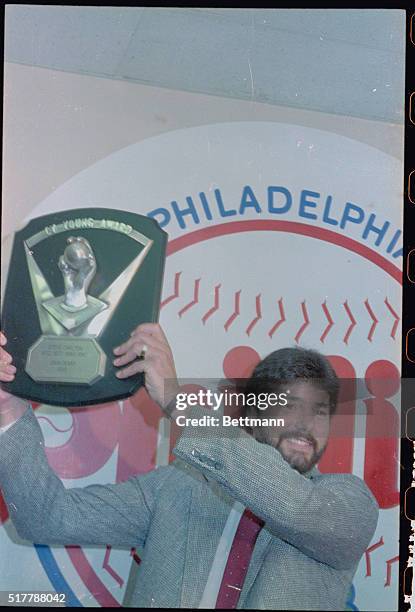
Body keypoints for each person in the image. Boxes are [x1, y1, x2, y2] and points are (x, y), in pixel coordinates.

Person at [0, 324, 378, 610]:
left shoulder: (347, 504)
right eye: (288, 404)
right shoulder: (174, 488)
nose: (306, 424)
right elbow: (47, 516)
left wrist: (178, 399)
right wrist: (8, 408)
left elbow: (295, 505)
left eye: (321, 411)